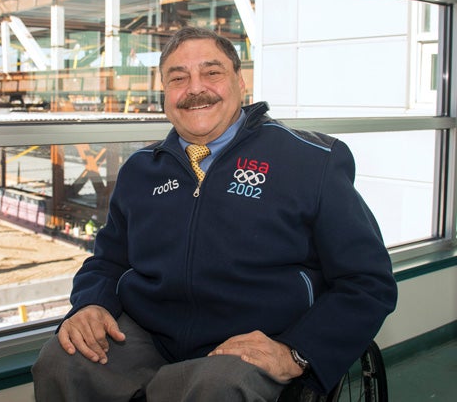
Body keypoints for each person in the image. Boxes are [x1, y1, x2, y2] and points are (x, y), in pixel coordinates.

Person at [32, 27, 398, 401]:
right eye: (178, 78)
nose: (195, 88)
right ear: (164, 94)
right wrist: (91, 303)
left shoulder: (311, 161)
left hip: (253, 342)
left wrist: (296, 352)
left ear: (240, 82)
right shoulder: (140, 169)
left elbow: (368, 283)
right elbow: (108, 261)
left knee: (217, 387)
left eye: (212, 72)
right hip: (149, 335)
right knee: (62, 362)